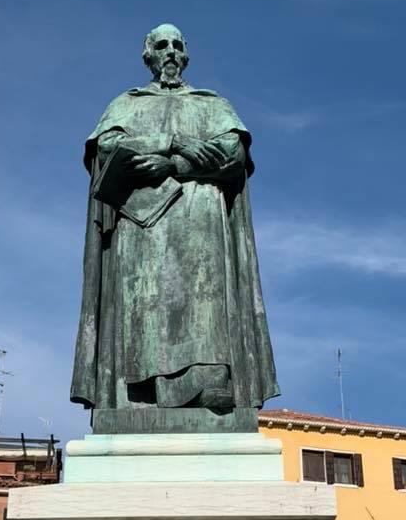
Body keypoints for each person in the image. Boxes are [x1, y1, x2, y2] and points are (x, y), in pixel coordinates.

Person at [70, 23, 279, 423]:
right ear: (148, 56)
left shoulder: (211, 104)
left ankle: (211, 378)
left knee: (206, 293)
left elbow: (232, 152)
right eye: (161, 45)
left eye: (177, 45)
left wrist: (172, 163)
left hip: (201, 216)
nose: (170, 52)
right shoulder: (125, 105)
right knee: (144, 302)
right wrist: (175, 141)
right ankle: (144, 392)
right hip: (142, 221)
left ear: (186, 55)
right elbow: (108, 147)